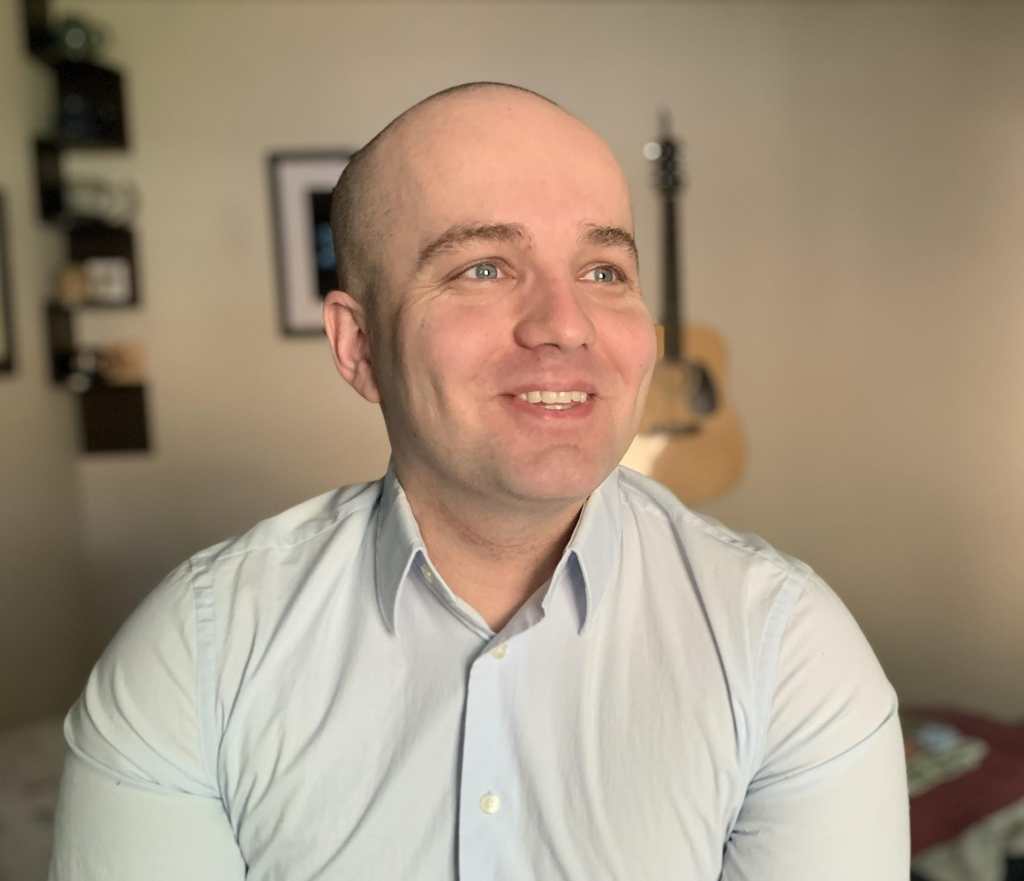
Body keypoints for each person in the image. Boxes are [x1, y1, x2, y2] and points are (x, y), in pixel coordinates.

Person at [49, 82, 909, 880]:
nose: (566, 325)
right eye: (484, 268)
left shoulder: (788, 649)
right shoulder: (194, 652)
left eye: (603, 271)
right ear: (359, 346)